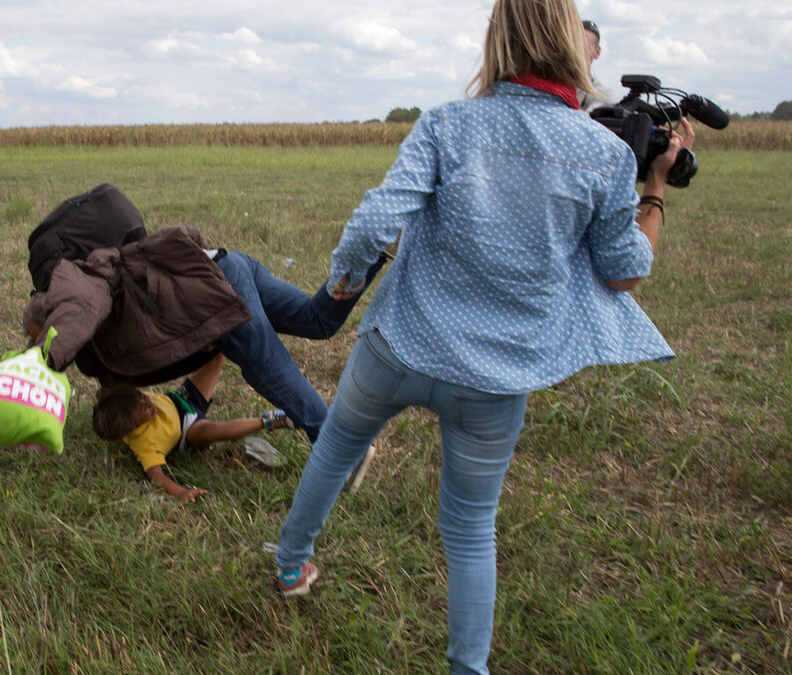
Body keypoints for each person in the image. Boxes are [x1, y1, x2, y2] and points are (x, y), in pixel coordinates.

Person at [273, 0, 694, 673]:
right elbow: (624, 274)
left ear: (498, 40)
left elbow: (375, 220)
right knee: (470, 528)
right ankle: (468, 666)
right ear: (570, 44)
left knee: (333, 452)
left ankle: (291, 566)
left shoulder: (447, 124)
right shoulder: (604, 154)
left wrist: (346, 281)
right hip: (495, 381)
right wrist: (656, 185)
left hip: (397, 345)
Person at [25, 224, 387, 442]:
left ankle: (340, 451)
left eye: (39, 335)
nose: (38, 343)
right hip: (226, 265)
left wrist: (38, 364)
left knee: (269, 370)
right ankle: (372, 251)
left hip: (214, 295)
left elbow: (73, 324)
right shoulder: (98, 323)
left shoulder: (82, 302)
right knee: (316, 320)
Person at [92, 353, 293, 503]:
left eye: (141, 397)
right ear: (133, 427)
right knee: (211, 432)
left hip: (183, 399)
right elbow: (157, 476)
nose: (147, 401)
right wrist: (181, 492)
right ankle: (271, 421)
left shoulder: (126, 400)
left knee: (216, 355)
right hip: (188, 430)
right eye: (142, 409)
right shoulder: (144, 444)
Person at [578, 19, 615, 111]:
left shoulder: (603, 95)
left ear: (597, 52)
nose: (576, 53)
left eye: (584, 48)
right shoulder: (550, 89)